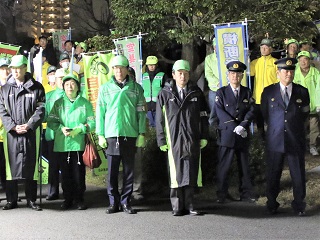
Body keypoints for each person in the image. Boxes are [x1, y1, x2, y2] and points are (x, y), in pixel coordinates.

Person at [156, 59, 209, 216]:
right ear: (173, 74)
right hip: (173, 140)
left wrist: (204, 135)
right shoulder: (165, 94)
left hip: (192, 138)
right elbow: (159, 119)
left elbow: (204, 116)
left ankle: (191, 204)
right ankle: (177, 206)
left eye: (185, 73)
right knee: (176, 172)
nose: (183, 77)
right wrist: (161, 139)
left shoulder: (196, 93)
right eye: (179, 73)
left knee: (191, 171)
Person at [96, 55, 146, 214]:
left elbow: (142, 113)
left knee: (129, 172)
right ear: (112, 70)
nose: (119, 71)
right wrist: (100, 134)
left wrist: (142, 133)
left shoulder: (136, 89)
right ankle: (113, 202)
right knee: (111, 171)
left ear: (127, 69)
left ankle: (126, 201)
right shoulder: (105, 88)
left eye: (122, 67)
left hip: (130, 134)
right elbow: (100, 113)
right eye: (116, 68)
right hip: (111, 135)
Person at [261, 57, 310, 216]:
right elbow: (265, 115)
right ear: (278, 72)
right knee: (273, 173)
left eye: (291, 71)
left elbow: (304, 114)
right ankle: (272, 203)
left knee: (298, 174)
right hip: (275, 139)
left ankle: (299, 205)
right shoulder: (269, 91)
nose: (288, 74)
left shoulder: (302, 91)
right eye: (285, 71)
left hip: (295, 138)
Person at [0, 55, 45, 211]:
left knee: (30, 166)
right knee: (10, 167)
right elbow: (2, 110)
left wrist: (29, 124)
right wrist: (12, 126)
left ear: (26, 67)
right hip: (11, 133)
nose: (15, 71)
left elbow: (41, 109)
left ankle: (31, 200)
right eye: (13, 68)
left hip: (30, 132)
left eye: (18, 68)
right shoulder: (5, 89)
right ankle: (11, 200)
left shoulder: (37, 87)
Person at [47, 72, 95, 210]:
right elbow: (51, 121)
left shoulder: (85, 103)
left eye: (73, 84)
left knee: (79, 173)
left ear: (78, 86)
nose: (70, 87)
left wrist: (80, 129)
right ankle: (67, 199)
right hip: (62, 144)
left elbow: (92, 123)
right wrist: (61, 128)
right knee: (66, 174)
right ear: (63, 87)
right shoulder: (58, 103)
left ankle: (79, 199)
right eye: (67, 84)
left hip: (78, 144)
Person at [215, 61, 256, 204]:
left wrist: (244, 125)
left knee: (244, 166)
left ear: (242, 75)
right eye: (232, 73)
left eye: (238, 74)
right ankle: (222, 194)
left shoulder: (246, 92)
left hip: (242, 134)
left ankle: (247, 193)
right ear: (228, 75)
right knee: (224, 166)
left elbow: (251, 110)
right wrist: (234, 126)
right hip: (227, 134)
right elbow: (219, 112)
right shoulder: (221, 92)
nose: (235, 76)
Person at [43, 68, 67, 200]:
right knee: (53, 164)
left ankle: (68, 191)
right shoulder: (49, 96)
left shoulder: (71, 95)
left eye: (64, 77)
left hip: (68, 136)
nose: (62, 80)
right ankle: (53, 191)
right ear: (55, 79)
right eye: (60, 78)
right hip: (52, 135)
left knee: (67, 165)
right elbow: (44, 116)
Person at [293, 51, 320, 156]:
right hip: (300, 107)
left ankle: (313, 146)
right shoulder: (295, 73)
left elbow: (319, 88)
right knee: (300, 127)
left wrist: (318, 104)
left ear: (309, 60)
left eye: (305, 59)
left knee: (314, 128)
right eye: (301, 60)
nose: (303, 62)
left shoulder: (315, 73)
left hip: (313, 106)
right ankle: (301, 146)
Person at [250, 38, 278, 139]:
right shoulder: (255, 62)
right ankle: (262, 140)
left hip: (271, 98)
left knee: (271, 120)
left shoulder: (276, 63)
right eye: (262, 48)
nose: (263, 50)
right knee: (259, 121)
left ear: (270, 49)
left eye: (266, 48)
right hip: (257, 97)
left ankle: (273, 138)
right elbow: (250, 73)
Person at [142, 55, 167, 127]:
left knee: (159, 126)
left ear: (156, 65)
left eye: (153, 65)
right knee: (149, 128)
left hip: (158, 106)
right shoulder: (143, 76)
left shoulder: (162, 75)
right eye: (150, 65)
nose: (151, 67)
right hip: (146, 107)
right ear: (147, 65)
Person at [0, 57, 11, 191]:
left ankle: (11, 194)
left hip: (10, 133)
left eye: (7, 68)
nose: (6, 71)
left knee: (9, 166)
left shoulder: (14, 87)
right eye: (2, 69)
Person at [205, 38, 220, 126]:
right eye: (216, 46)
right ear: (214, 47)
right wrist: (217, 82)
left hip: (227, 89)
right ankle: (214, 133)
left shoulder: (227, 57)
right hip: (215, 89)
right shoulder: (209, 58)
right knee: (213, 114)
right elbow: (208, 74)